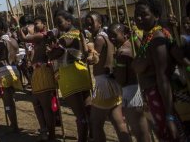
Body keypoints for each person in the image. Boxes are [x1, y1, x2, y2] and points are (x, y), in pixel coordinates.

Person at [132, 0, 186, 141]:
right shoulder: (149, 36)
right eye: (136, 14)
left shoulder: (157, 39)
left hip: (161, 99)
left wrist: (169, 116)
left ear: (156, 16)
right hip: (154, 98)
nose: (138, 18)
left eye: (144, 14)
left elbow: (163, 78)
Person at [85, 12, 130, 142]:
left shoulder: (99, 38)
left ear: (100, 23)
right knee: (118, 122)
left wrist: (88, 55)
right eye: (87, 23)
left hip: (104, 85)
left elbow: (94, 59)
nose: (89, 26)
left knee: (96, 123)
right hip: (112, 81)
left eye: (91, 23)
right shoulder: (108, 36)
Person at [48, 10, 92, 142]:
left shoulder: (66, 37)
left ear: (69, 21)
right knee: (88, 111)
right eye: (56, 23)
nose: (58, 26)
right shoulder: (80, 33)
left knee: (81, 115)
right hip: (82, 73)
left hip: (70, 76)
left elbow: (53, 55)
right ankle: (93, 136)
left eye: (60, 22)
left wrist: (50, 51)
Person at [108, 23, 151, 142]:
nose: (111, 38)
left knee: (140, 133)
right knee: (145, 131)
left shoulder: (122, 53)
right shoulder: (134, 46)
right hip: (141, 90)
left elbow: (121, 79)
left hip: (132, 94)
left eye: (114, 35)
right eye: (109, 36)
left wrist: (114, 70)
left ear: (125, 35)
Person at [17, 15, 57, 141]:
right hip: (38, 72)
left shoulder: (42, 35)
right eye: (34, 23)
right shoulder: (42, 36)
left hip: (43, 72)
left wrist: (17, 24)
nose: (35, 26)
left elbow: (23, 38)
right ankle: (44, 130)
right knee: (36, 103)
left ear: (44, 23)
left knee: (45, 106)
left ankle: (51, 135)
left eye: (37, 23)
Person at [0, 19, 22, 131]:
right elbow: (18, 56)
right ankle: (14, 124)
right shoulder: (14, 41)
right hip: (14, 71)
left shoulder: (0, 43)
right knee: (11, 99)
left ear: (2, 30)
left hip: (4, 72)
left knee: (7, 101)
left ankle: (13, 125)